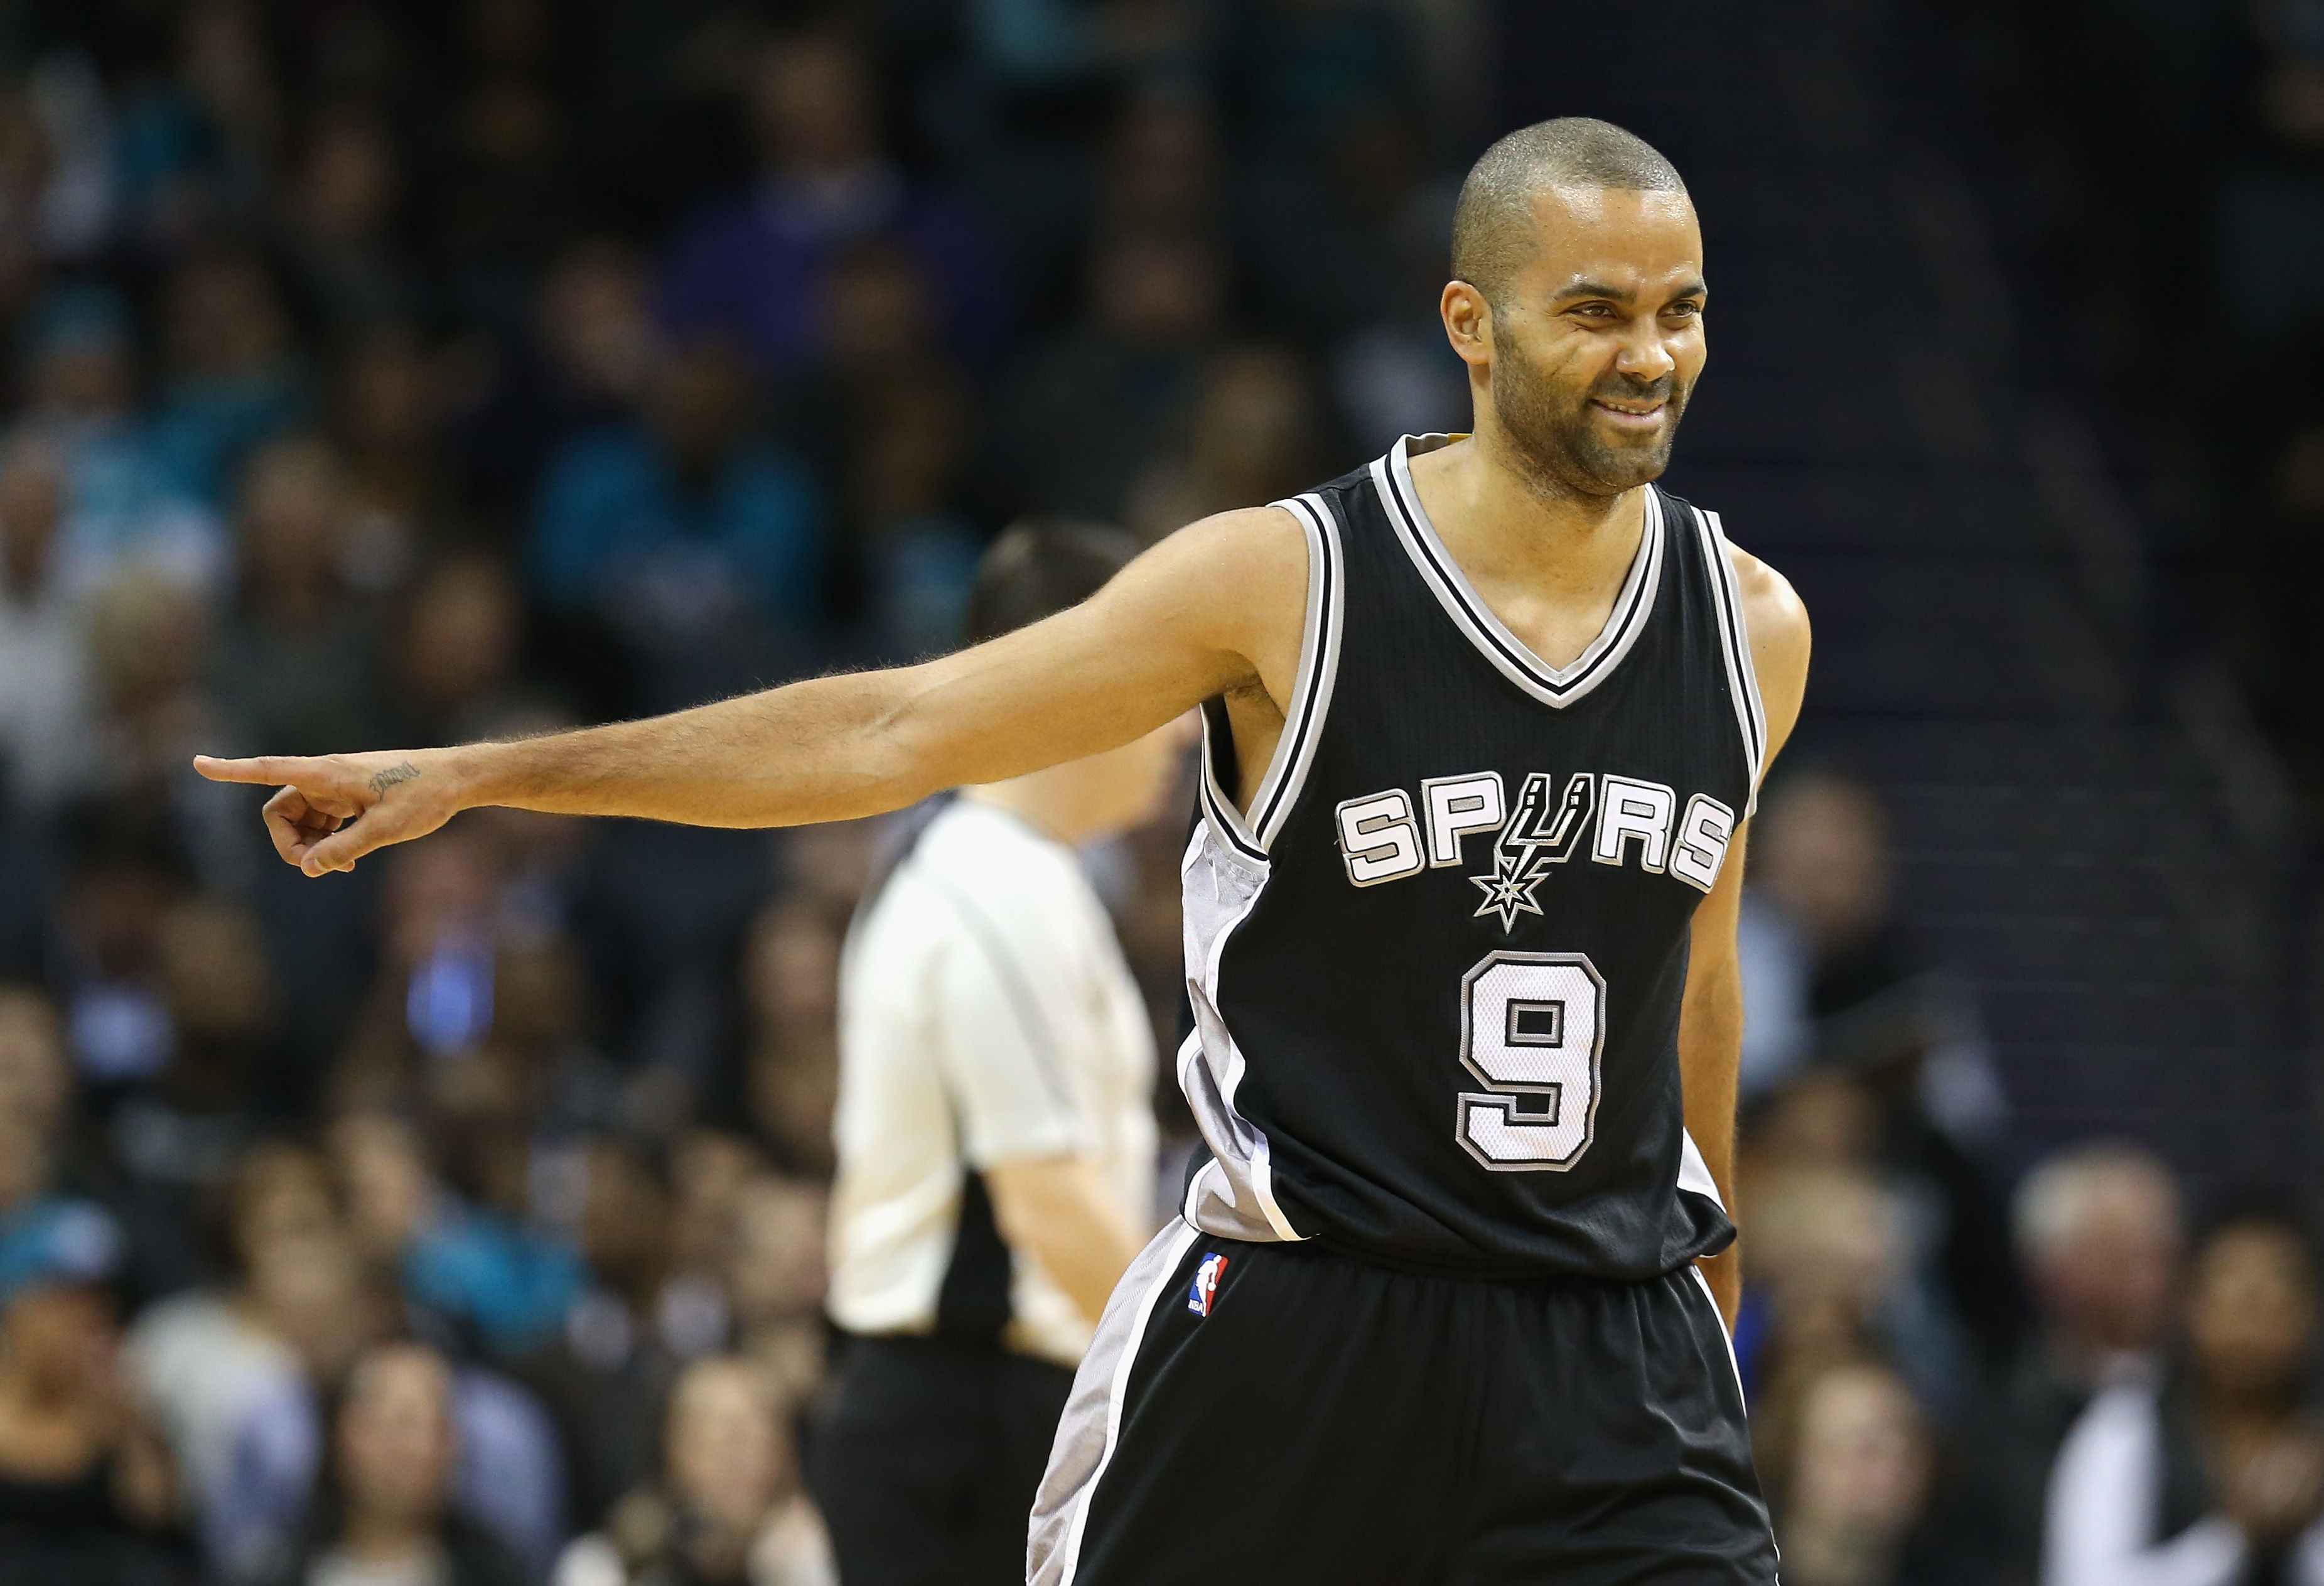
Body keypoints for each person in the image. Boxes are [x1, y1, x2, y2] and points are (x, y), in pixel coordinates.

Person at [195, 115, 1812, 1582]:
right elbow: (892, 730)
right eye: (1592, 309)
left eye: (1673, 310)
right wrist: (482, 773)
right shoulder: (1285, 583)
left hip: (1608, 1341)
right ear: (1468, 326)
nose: (1646, 352)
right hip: (1311, 1319)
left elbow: (1699, 986)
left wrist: (1710, 1270)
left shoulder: (1746, 624)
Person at [810, 522, 1172, 1585]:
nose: (1183, 729)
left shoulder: (1004, 871)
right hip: (967, 1414)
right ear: (1073, 680)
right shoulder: (994, 883)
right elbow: (1047, 1199)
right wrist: (1208, 1383)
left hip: (965, 1406)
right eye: (1162, 678)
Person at [2043, 1209, 2324, 1586]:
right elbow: (2080, 1578)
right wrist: (2233, 1540)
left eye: (2273, 1299)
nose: (2251, 1323)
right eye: (2232, 1297)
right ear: (2189, 1306)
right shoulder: (2126, 1427)